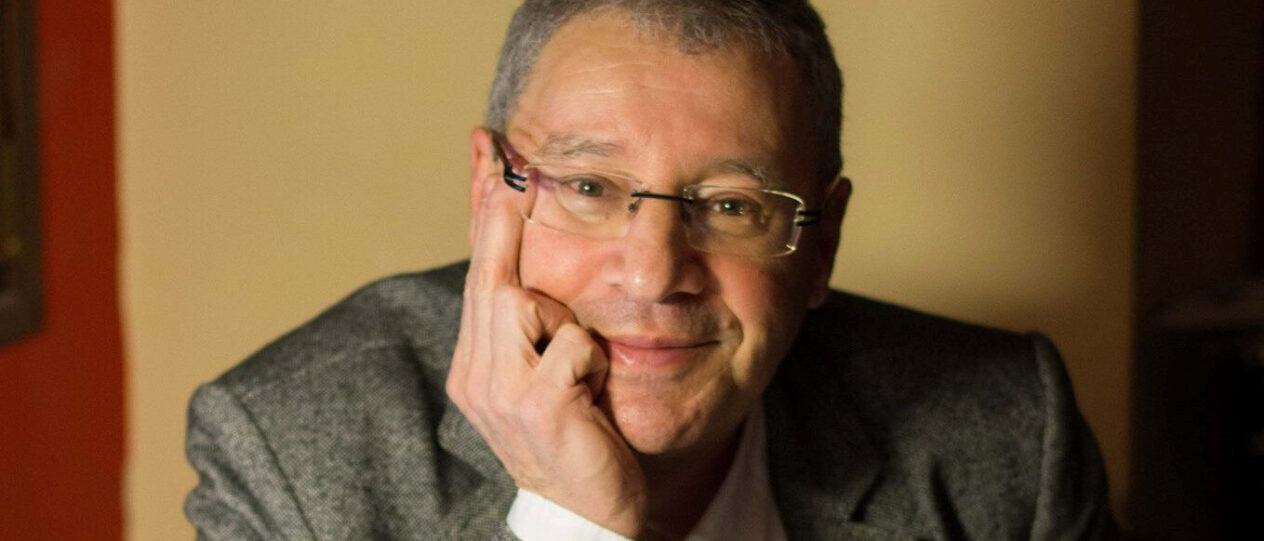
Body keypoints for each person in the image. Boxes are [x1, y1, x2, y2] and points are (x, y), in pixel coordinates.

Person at [184, 1, 1118, 539]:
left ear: (821, 242)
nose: (655, 271)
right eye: (590, 186)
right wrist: (572, 526)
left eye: (733, 205)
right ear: (488, 190)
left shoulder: (1008, 435)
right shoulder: (292, 458)